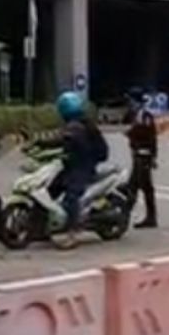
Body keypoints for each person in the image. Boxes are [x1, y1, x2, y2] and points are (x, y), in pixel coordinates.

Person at [39, 91, 109, 250]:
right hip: (71, 165)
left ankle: (73, 233)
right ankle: (44, 226)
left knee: (71, 197)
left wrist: (46, 142)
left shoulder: (78, 126)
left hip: (83, 167)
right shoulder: (77, 123)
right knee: (50, 189)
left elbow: (61, 138)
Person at [124, 87, 158, 229]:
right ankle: (125, 215)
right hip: (138, 155)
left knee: (139, 187)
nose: (129, 104)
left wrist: (153, 157)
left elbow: (150, 137)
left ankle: (128, 216)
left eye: (130, 101)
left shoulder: (145, 116)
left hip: (143, 156)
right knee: (134, 186)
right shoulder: (136, 115)